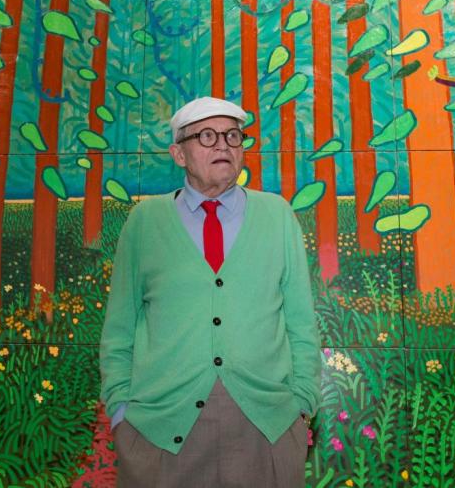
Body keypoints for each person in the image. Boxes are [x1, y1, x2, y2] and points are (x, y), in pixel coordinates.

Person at [99, 96, 322, 487]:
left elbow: (301, 323)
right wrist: (120, 410)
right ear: (179, 154)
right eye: (206, 136)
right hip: (160, 428)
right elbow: (119, 329)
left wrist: (301, 403)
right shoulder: (145, 221)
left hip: (266, 425)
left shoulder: (277, 215)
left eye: (233, 135)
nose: (223, 145)